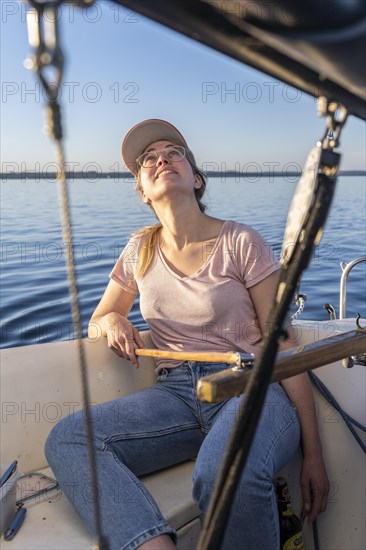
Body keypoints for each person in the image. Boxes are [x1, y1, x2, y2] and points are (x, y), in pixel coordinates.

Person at [45, 119, 329, 550]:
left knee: (223, 472)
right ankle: (152, 544)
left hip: (251, 387)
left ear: (195, 178)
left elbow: (284, 344)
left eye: (173, 152)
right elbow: (99, 317)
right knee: (69, 438)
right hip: (176, 395)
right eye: (149, 159)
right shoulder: (138, 250)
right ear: (142, 189)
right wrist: (112, 321)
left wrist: (315, 455)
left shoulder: (241, 241)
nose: (161, 159)